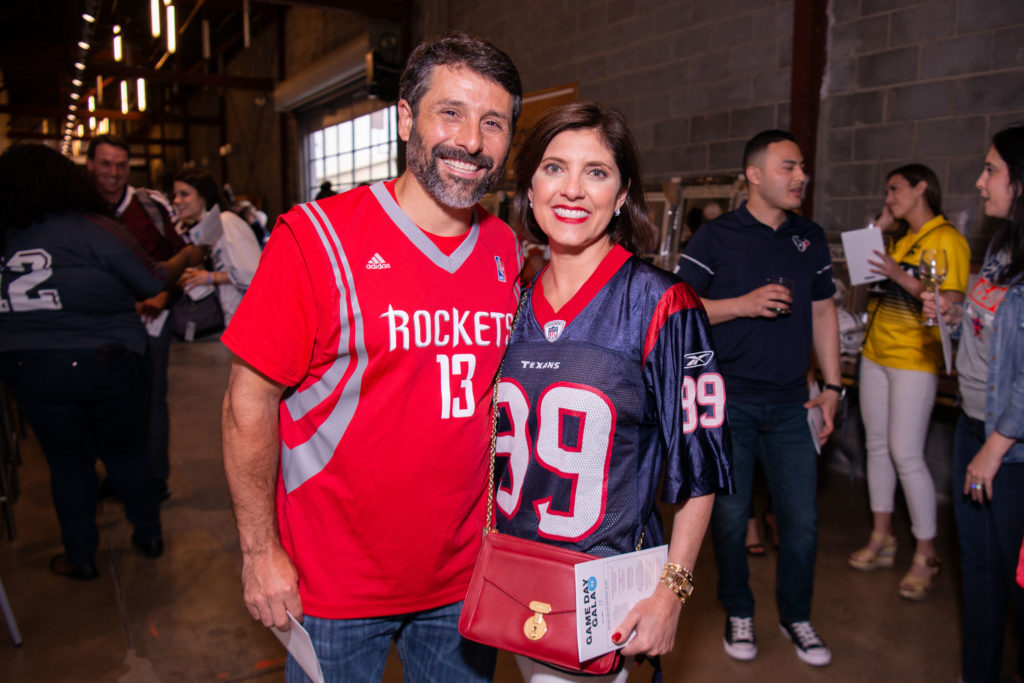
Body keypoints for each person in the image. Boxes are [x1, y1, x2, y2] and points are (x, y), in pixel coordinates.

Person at [219, 32, 523, 682]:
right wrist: (259, 549)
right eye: (451, 112)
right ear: (406, 117)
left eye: (492, 122)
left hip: (464, 579)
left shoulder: (505, 248)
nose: (471, 140)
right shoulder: (315, 238)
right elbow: (249, 399)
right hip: (333, 589)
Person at [494, 102, 732, 682]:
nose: (572, 189)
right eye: (554, 168)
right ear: (529, 186)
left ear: (623, 194)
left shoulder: (660, 302)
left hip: (604, 590)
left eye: (596, 172)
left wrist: (672, 592)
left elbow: (700, 465)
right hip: (514, 580)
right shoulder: (513, 302)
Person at [674, 129, 841, 667]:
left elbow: (822, 312)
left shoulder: (809, 237)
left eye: (802, 169)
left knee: (802, 522)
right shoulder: (716, 237)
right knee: (728, 519)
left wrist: (833, 387)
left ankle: (797, 617)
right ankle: (738, 610)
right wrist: (742, 304)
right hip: (730, 403)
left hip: (794, 406)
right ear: (754, 175)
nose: (801, 178)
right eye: (788, 168)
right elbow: (681, 305)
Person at [0, 143, 203, 579]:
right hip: (106, 361)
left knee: (67, 464)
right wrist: (187, 256)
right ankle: (148, 535)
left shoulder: (7, 237)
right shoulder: (91, 229)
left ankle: (81, 556)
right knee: (127, 453)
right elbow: (149, 279)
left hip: (29, 368)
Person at [924, 124, 1024, 683]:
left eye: (992, 170)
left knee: (1016, 578)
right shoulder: (1004, 246)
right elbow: (999, 336)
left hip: (1008, 449)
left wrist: (995, 447)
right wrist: (961, 318)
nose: (981, 182)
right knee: (981, 569)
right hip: (975, 426)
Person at [849, 164, 969, 600]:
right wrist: (879, 225)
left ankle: (927, 552)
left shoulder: (947, 239)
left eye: (895, 189)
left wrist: (899, 274)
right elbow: (861, 272)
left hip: (915, 359)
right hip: (875, 353)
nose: (890, 197)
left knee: (906, 453)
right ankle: (883, 537)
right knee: (876, 447)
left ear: (922, 188)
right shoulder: (899, 239)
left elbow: (950, 305)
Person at [86, 134, 186, 500]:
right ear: (90, 165)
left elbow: (186, 255)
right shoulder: (80, 210)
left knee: (152, 399)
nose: (113, 173)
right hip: (100, 325)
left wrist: (164, 293)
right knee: (108, 401)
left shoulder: (150, 208)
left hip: (150, 322)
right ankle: (118, 474)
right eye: (106, 164)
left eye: (120, 165)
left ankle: (156, 476)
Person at [171, 170, 261, 325]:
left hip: (250, 321)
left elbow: (255, 274)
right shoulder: (204, 230)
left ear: (203, 196)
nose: (177, 200)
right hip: (229, 321)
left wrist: (210, 277)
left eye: (184, 194)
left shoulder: (227, 222)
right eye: (175, 195)